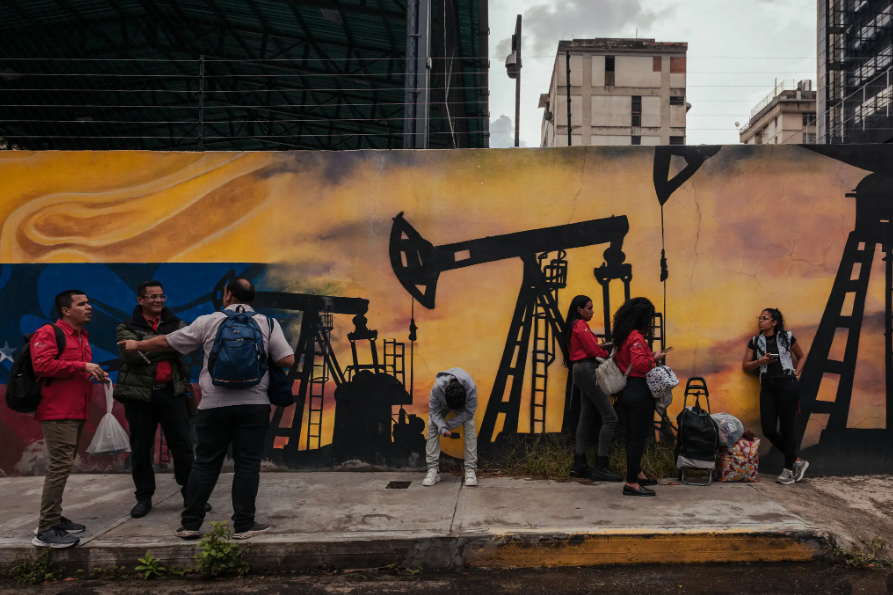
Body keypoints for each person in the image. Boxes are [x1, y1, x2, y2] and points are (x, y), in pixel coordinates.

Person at [120, 278, 294, 540]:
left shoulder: (208, 321)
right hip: (254, 405)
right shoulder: (267, 323)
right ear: (251, 298)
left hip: (214, 405)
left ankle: (190, 524)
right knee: (247, 465)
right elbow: (287, 359)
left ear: (227, 296)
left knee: (205, 464)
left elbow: (168, 342)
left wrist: (138, 345)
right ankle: (244, 526)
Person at [115, 280, 207, 519]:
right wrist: (168, 345)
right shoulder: (126, 326)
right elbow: (130, 355)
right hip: (140, 397)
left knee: (183, 447)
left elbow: (185, 347)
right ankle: (144, 497)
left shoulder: (177, 324)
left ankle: (190, 494)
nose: (158, 300)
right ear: (140, 300)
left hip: (172, 392)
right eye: (152, 296)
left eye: (161, 296)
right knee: (141, 448)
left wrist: (145, 347)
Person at [31, 290, 110, 548]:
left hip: (76, 410)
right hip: (57, 412)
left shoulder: (81, 336)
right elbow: (41, 365)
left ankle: (54, 518)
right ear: (66, 310)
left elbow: (70, 370)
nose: (89, 307)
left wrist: (92, 373)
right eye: (82, 304)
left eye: (89, 303)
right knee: (59, 467)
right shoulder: (48, 333)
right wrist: (81, 366)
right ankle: (46, 529)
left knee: (63, 466)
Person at [742, 308, 808, 485]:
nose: (760, 321)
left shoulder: (786, 337)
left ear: (774, 322)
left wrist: (796, 374)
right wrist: (760, 361)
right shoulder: (755, 341)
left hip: (787, 384)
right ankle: (797, 461)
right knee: (769, 430)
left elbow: (801, 357)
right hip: (768, 387)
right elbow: (746, 366)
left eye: (765, 318)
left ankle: (788, 470)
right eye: (759, 318)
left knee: (787, 429)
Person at [612, 297, 668, 497]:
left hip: (626, 390)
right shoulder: (636, 337)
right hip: (639, 390)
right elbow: (641, 365)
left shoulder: (623, 335)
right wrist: (654, 357)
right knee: (638, 438)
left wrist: (647, 355)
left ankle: (638, 474)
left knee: (631, 437)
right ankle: (632, 484)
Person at [563, 295, 621, 482]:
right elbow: (594, 351)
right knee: (611, 418)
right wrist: (606, 352)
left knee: (586, 416)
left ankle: (579, 464)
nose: (592, 311)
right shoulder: (580, 325)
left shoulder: (573, 325)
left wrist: (600, 347)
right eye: (589, 307)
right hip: (588, 370)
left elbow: (589, 347)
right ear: (579, 309)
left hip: (580, 370)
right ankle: (600, 465)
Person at [423, 368, 478, 487]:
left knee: (470, 424)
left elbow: (469, 411)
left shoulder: (470, 387)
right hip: (443, 405)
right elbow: (434, 412)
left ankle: (470, 470)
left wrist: (448, 425)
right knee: (432, 424)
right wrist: (442, 428)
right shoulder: (437, 389)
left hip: (464, 408)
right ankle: (433, 470)